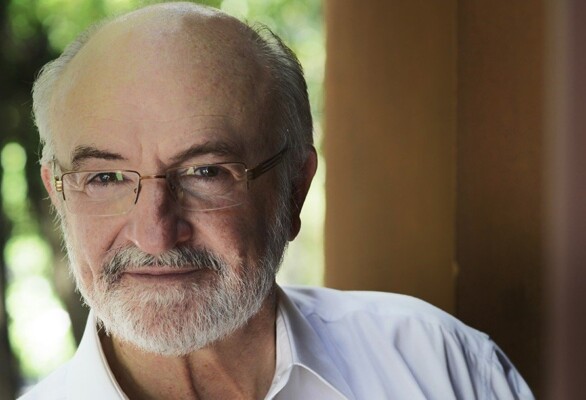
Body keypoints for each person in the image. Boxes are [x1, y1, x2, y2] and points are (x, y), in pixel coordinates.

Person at [20, 2, 534, 399]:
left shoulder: (439, 366)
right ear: (58, 195)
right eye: (106, 177)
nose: (155, 235)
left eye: (206, 172)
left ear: (294, 190)